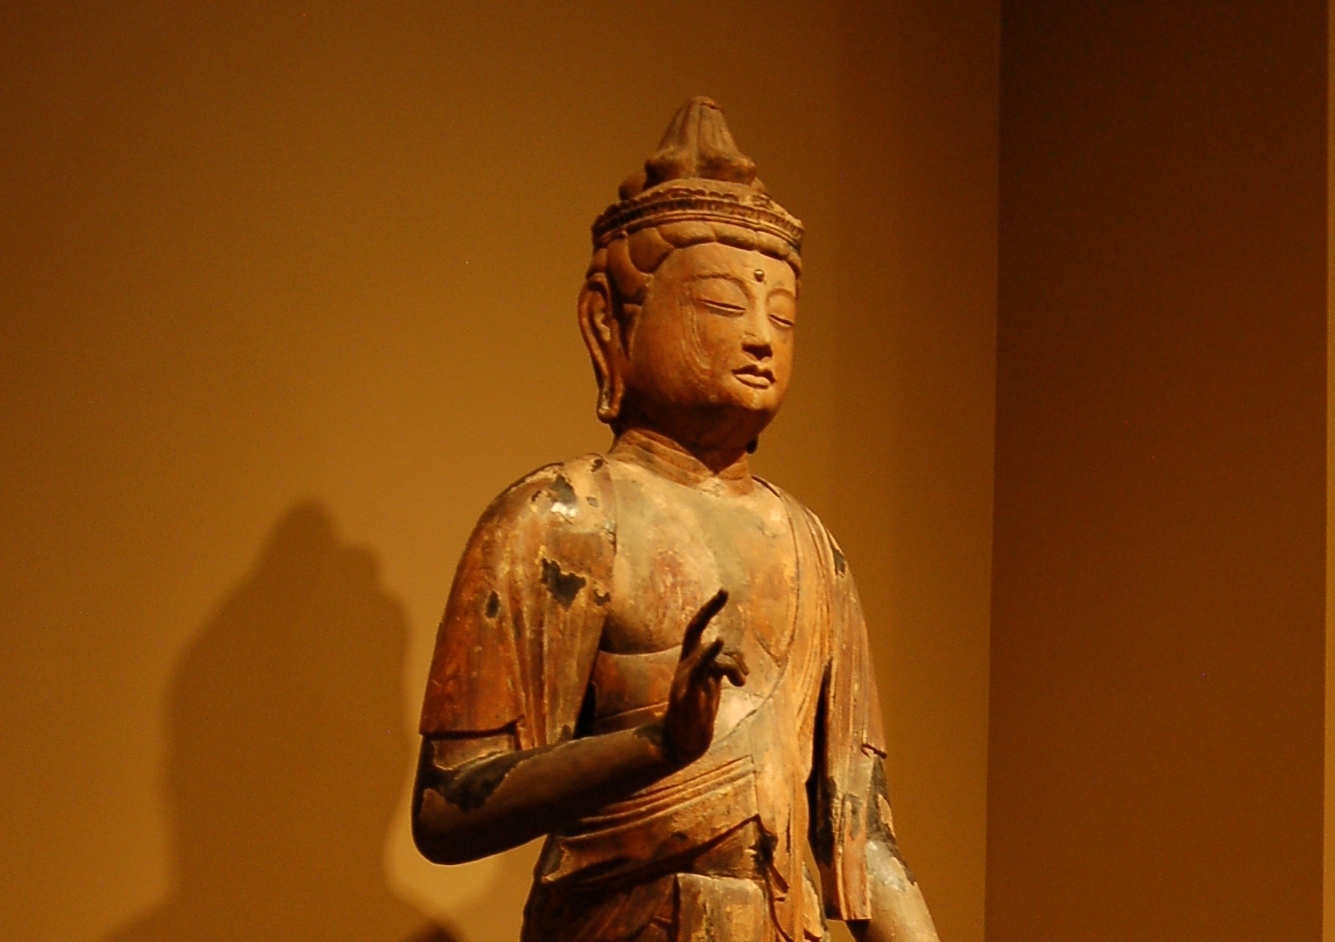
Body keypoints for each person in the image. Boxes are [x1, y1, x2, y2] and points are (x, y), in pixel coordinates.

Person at [412, 97, 940, 942]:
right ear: (607, 322)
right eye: (724, 306)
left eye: (783, 315)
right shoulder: (563, 517)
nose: (761, 337)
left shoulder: (814, 552)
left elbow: (861, 837)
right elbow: (448, 808)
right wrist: (658, 745)